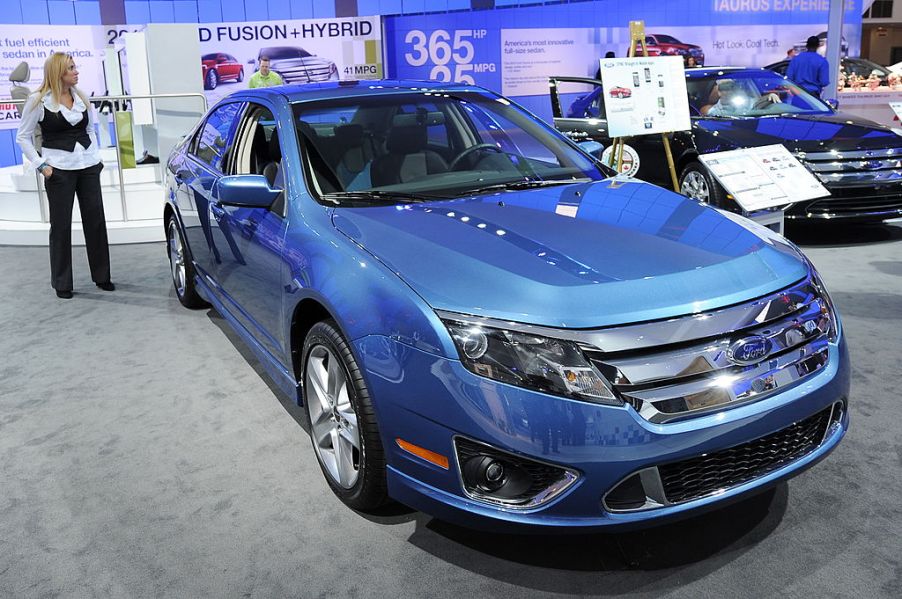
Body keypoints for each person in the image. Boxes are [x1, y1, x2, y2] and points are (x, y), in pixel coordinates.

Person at [16, 52, 113, 299]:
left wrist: (96, 157)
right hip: (58, 170)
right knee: (60, 226)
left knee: (96, 222)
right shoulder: (38, 101)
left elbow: (89, 128)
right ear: (58, 72)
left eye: (75, 67)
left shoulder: (80, 96)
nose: (76, 71)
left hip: (88, 166)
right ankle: (62, 282)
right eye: (71, 68)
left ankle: (102, 277)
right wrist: (41, 165)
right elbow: (23, 137)